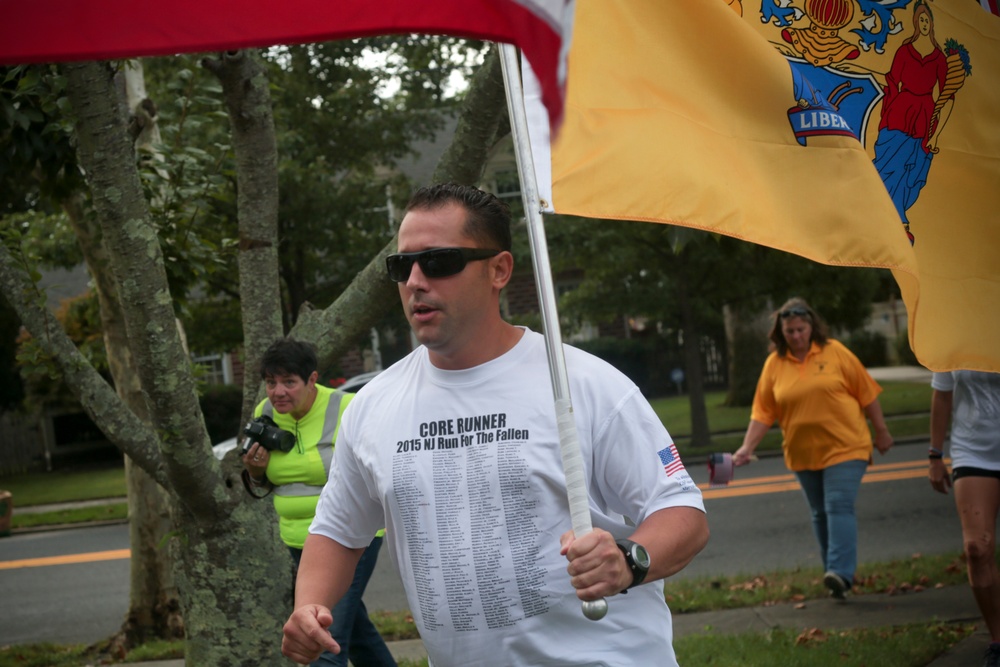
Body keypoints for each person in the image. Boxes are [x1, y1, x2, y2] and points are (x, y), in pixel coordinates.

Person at [281, 183, 709, 667]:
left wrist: (630, 561)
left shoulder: (583, 385)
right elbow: (338, 531)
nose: (416, 281)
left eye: (439, 262)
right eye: (403, 266)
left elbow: (682, 512)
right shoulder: (374, 406)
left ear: (499, 270)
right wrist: (308, 606)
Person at [243, 338, 396, 667]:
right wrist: (255, 472)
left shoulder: (348, 408)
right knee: (355, 631)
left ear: (312, 379)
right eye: (271, 382)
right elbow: (267, 480)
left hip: (348, 539)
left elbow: (373, 473)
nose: (277, 392)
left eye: (289, 382)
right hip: (297, 541)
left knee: (323, 639)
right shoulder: (265, 413)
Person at [732, 298, 893, 600]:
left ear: (812, 327)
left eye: (801, 329)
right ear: (781, 332)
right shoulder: (775, 364)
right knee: (820, 513)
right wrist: (745, 448)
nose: (796, 336)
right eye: (790, 331)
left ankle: (841, 573)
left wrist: (881, 431)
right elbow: (764, 412)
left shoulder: (835, 352)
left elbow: (867, 393)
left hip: (846, 446)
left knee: (837, 506)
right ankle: (834, 576)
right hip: (802, 452)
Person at [928, 370, 1000, 667]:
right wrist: (935, 455)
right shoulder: (956, 333)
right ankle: (998, 642)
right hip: (974, 452)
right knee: (976, 549)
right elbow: (942, 394)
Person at [872, 0, 949, 244]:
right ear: (916, 23)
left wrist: (935, 134)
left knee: (913, 169)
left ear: (932, 24)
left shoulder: (938, 58)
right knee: (890, 164)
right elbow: (893, 82)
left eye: (927, 20)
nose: (924, 24)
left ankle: (894, 217)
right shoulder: (905, 51)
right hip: (900, 112)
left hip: (924, 116)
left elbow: (948, 96)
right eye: (921, 20)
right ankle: (896, 221)